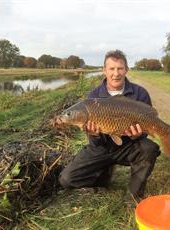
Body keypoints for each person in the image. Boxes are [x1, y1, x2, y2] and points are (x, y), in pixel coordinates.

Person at [58, 50, 161, 204]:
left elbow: (144, 132)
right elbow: (95, 144)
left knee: (149, 148)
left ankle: (134, 197)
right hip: (102, 148)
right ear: (104, 70)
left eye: (120, 68)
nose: (116, 73)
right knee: (66, 180)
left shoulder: (140, 93)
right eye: (111, 69)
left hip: (128, 146)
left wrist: (136, 135)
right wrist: (94, 134)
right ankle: (104, 174)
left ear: (126, 70)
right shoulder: (93, 97)